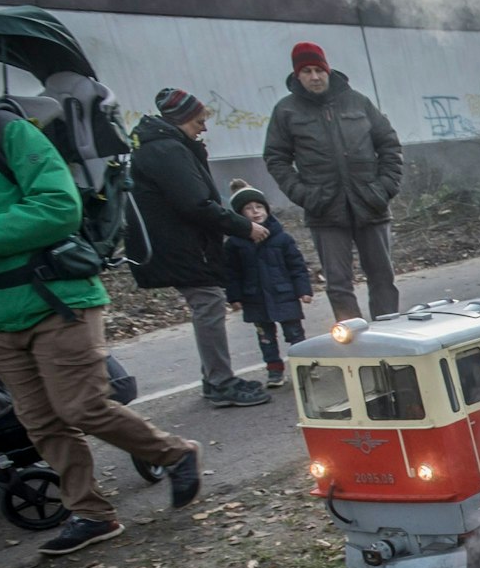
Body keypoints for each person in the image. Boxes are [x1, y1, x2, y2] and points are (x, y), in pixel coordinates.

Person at [0, 75, 201, 554]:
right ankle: (91, 514)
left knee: (80, 407)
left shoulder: (3, 129)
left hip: (55, 297)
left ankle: (176, 452)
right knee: (41, 423)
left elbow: (57, 207)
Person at [127, 87, 270, 407]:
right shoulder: (167, 150)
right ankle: (219, 382)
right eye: (198, 121)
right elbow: (196, 203)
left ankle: (215, 377)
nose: (203, 127)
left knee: (207, 303)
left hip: (178, 244)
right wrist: (244, 226)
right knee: (208, 303)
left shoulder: (165, 146)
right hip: (182, 245)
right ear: (180, 120)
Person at [263, 42, 404, 320]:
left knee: (383, 279)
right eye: (307, 72)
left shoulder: (358, 101)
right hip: (325, 210)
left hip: (371, 204)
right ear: (298, 75)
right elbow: (275, 158)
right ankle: (354, 342)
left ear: (327, 70)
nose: (315, 77)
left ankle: (389, 335)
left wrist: (385, 187)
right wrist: (305, 195)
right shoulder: (286, 110)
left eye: (319, 70)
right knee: (338, 284)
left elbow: (389, 144)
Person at [222, 180, 313, 389]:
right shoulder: (235, 244)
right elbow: (232, 273)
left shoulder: (282, 239)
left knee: (296, 335)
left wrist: (303, 290)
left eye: (259, 207)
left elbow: (297, 266)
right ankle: (274, 371)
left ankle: (305, 368)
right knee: (265, 338)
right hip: (255, 299)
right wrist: (234, 296)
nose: (255, 212)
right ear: (239, 214)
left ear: (266, 209)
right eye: (248, 209)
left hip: (285, 296)